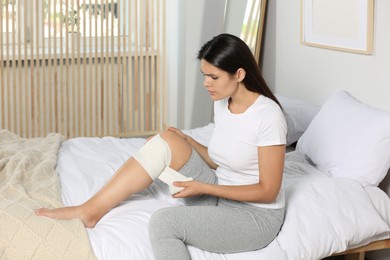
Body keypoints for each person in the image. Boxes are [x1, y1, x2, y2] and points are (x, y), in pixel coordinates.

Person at [36, 33, 287, 260]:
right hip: (220, 194)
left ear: (240, 74)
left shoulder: (268, 116)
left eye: (213, 76)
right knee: (166, 139)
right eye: (204, 76)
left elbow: (268, 191)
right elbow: (222, 159)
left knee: (163, 223)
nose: (206, 83)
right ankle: (90, 210)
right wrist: (185, 140)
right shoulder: (223, 102)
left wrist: (204, 187)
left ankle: (89, 211)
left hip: (254, 217)